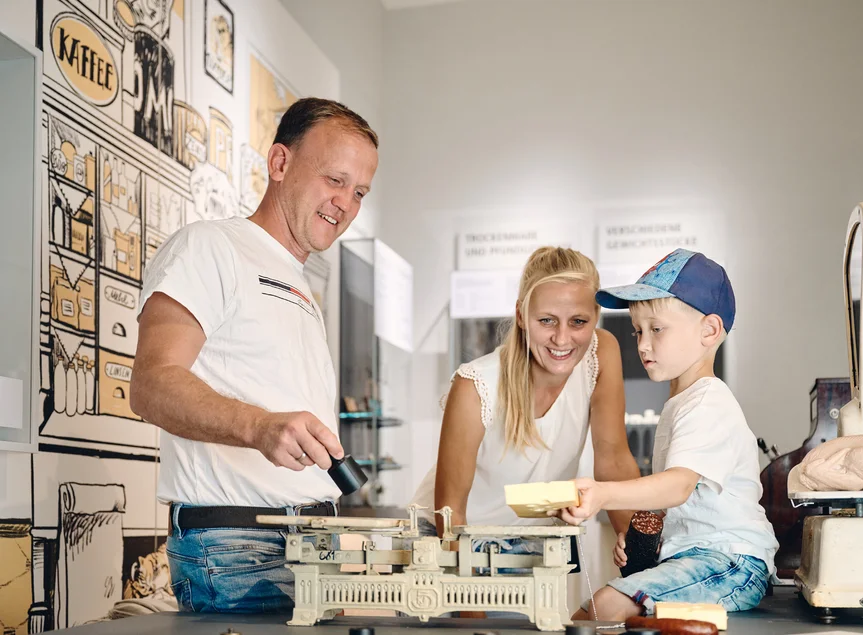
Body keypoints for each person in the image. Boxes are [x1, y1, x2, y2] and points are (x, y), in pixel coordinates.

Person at [129, 98, 379, 613]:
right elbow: (151, 384)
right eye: (335, 180)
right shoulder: (210, 247)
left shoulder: (299, 283)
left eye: (359, 192)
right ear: (280, 163)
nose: (346, 204)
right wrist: (259, 427)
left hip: (310, 542)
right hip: (238, 547)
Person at [558, 248, 778, 621]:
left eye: (656, 329)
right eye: (637, 331)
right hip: (698, 557)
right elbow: (683, 504)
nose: (642, 344)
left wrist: (604, 494)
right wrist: (644, 539)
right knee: (592, 612)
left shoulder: (707, 401)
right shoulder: (681, 403)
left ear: (709, 330)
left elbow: (677, 486)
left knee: (606, 607)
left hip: (731, 561)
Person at [411, 246, 641, 545]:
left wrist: (640, 551)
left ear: (596, 317)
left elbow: (613, 460)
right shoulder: (475, 385)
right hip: (449, 535)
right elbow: (450, 512)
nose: (561, 338)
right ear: (521, 315)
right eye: (546, 320)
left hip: (530, 536)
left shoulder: (602, 352)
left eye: (578, 322)